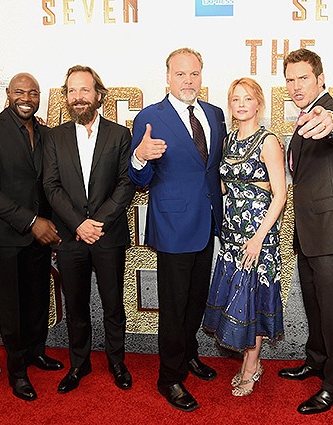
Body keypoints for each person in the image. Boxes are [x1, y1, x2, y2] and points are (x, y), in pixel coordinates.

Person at [129, 47, 227, 412]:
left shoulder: (214, 114)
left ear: (201, 76)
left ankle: (188, 354)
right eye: (181, 74)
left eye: (194, 73)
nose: (188, 80)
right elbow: (139, 178)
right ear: (168, 77)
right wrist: (140, 157)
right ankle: (169, 377)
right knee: (173, 306)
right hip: (173, 225)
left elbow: (212, 168)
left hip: (208, 221)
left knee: (196, 299)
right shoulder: (149, 117)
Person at [277, 48, 333, 415]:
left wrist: (330, 120)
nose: (296, 86)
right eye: (290, 80)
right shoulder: (301, 120)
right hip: (310, 233)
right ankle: (317, 360)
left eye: (303, 78)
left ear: (321, 79)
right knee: (315, 306)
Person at [0, 72, 65, 402]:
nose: (27, 98)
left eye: (33, 93)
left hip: (43, 234)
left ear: (39, 97)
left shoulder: (46, 133)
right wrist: (32, 222)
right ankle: (17, 370)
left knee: (38, 297)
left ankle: (36, 352)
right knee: (12, 305)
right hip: (9, 234)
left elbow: (50, 184)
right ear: (8, 93)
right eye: (20, 92)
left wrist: (50, 226)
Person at [43, 65, 135, 394]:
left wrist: (98, 223)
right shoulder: (54, 137)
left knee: (113, 305)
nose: (78, 97)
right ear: (66, 97)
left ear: (98, 94)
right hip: (70, 237)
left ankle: (117, 362)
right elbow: (51, 186)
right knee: (76, 306)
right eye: (72, 91)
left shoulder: (120, 135)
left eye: (84, 90)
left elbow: (126, 183)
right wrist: (78, 224)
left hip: (108, 236)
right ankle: (79, 364)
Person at [202, 77, 286, 397]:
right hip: (232, 234)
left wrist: (259, 238)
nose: (241, 104)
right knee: (236, 299)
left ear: (258, 103)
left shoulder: (268, 141)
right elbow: (225, 186)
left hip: (258, 235)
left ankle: (251, 367)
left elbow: (280, 195)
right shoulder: (228, 141)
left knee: (253, 300)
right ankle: (252, 362)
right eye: (235, 99)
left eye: (247, 98)